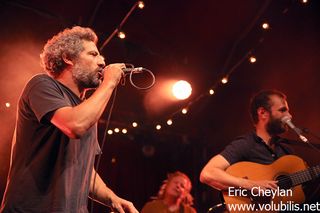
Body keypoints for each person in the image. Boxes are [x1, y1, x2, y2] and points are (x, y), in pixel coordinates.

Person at [0, 26, 138, 213]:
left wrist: (112, 198)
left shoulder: (85, 108)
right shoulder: (42, 85)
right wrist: (110, 82)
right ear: (67, 58)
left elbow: (84, 171)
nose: (102, 62)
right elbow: (75, 125)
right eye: (93, 54)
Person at [200, 90, 295, 204]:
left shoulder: (286, 150)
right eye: (282, 110)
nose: (289, 116)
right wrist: (252, 185)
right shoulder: (246, 144)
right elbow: (208, 173)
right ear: (263, 113)